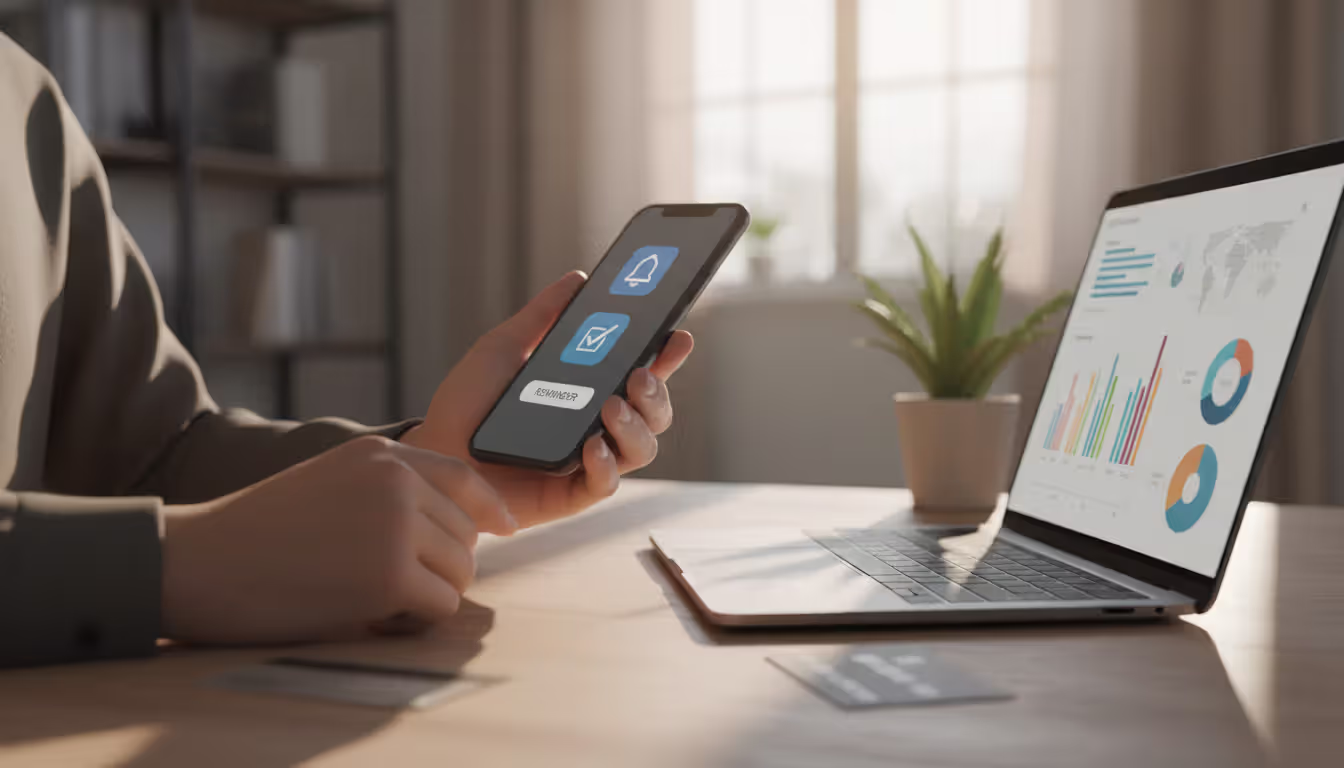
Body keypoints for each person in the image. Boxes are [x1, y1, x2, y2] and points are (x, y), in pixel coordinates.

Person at [0, 35, 692, 667]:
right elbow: (177, 527)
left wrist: (434, 461)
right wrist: (167, 565)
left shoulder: (24, 100)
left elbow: (153, 452)